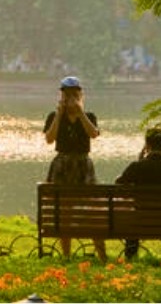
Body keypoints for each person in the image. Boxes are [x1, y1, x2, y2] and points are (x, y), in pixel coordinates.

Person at [43, 75, 104, 259]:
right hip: (62, 164)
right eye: (66, 95)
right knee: (64, 211)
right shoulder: (54, 116)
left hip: (82, 165)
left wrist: (81, 113)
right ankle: (66, 255)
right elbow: (49, 138)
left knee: (92, 211)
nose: (70, 99)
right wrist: (60, 115)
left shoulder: (90, 115)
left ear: (80, 95)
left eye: (74, 94)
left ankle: (101, 254)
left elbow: (93, 134)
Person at [116, 128, 161, 260]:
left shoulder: (136, 167)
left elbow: (119, 183)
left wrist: (139, 161)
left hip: (140, 219)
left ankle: (131, 256)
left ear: (147, 145)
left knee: (132, 223)